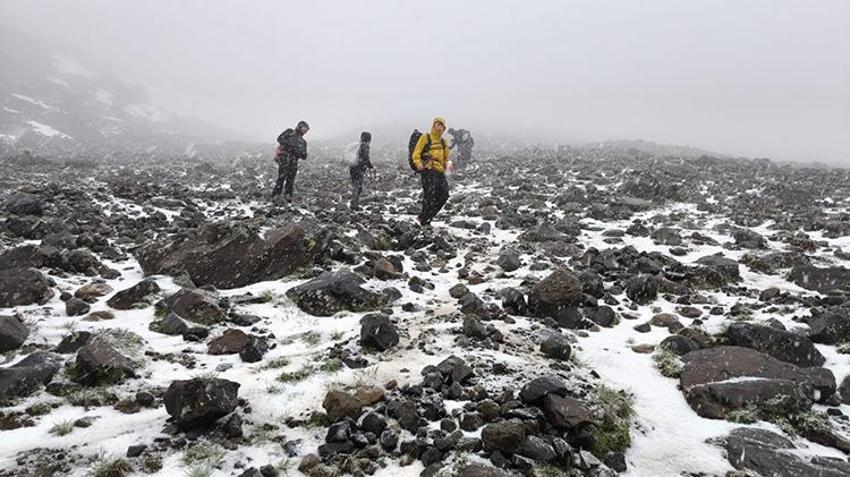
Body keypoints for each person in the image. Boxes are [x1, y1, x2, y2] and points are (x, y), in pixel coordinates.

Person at [411, 117, 451, 226]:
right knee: (429, 196)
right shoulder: (425, 138)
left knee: (444, 194)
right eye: (438, 124)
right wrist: (418, 163)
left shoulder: (443, 142)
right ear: (433, 125)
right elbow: (416, 153)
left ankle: (424, 217)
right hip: (428, 169)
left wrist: (448, 165)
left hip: (440, 171)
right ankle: (425, 221)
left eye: (442, 125)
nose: (440, 127)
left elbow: (446, 157)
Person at [272, 120, 309, 200]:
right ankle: (276, 195)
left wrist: (300, 152)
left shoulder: (303, 142)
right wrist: (290, 145)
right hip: (285, 157)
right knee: (282, 176)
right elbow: (280, 139)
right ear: (299, 127)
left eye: (306, 129)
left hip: (294, 160)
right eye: (303, 128)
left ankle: (288, 196)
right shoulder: (290, 132)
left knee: (291, 178)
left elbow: (304, 156)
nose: (304, 131)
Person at [348, 131, 374, 211]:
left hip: (353, 168)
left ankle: (353, 203)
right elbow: (366, 158)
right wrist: (371, 166)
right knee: (358, 187)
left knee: (355, 186)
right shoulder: (365, 146)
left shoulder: (358, 146)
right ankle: (354, 205)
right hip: (359, 169)